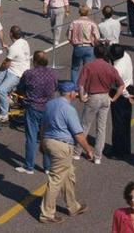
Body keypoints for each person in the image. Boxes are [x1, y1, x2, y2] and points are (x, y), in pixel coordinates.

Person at [38, 81, 94, 224]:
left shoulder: (50, 104)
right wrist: (88, 150)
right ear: (70, 94)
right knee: (56, 179)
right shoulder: (68, 109)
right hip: (61, 146)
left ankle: (73, 206)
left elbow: (43, 125)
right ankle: (47, 214)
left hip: (48, 141)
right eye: (75, 92)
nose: (76, 94)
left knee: (68, 176)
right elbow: (78, 134)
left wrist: (42, 143)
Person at [75, 42, 124, 164]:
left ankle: (77, 151)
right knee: (101, 128)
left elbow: (80, 84)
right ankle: (98, 156)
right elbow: (121, 85)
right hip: (105, 97)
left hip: (93, 97)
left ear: (94, 53)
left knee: (85, 126)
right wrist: (114, 98)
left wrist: (81, 97)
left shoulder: (89, 67)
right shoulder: (110, 68)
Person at [0, 25, 30, 123]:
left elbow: (6, 63)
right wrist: (8, 48)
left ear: (11, 34)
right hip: (17, 68)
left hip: (17, 73)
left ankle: (4, 114)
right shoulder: (24, 42)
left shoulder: (14, 48)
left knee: (1, 90)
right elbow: (16, 54)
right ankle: (7, 99)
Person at [108, 44, 134, 159]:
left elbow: (120, 86)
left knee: (118, 122)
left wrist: (127, 96)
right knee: (126, 121)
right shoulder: (126, 56)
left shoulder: (117, 69)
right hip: (130, 86)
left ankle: (117, 151)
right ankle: (126, 148)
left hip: (121, 93)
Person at [66, 6, 99, 83]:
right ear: (88, 13)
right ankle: (87, 86)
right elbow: (97, 37)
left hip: (78, 47)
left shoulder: (74, 22)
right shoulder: (92, 23)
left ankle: (75, 87)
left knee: (75, 68)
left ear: (79, 12)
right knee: (88, 68)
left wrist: (73, 43)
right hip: (89, 47)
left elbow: (68, 36)